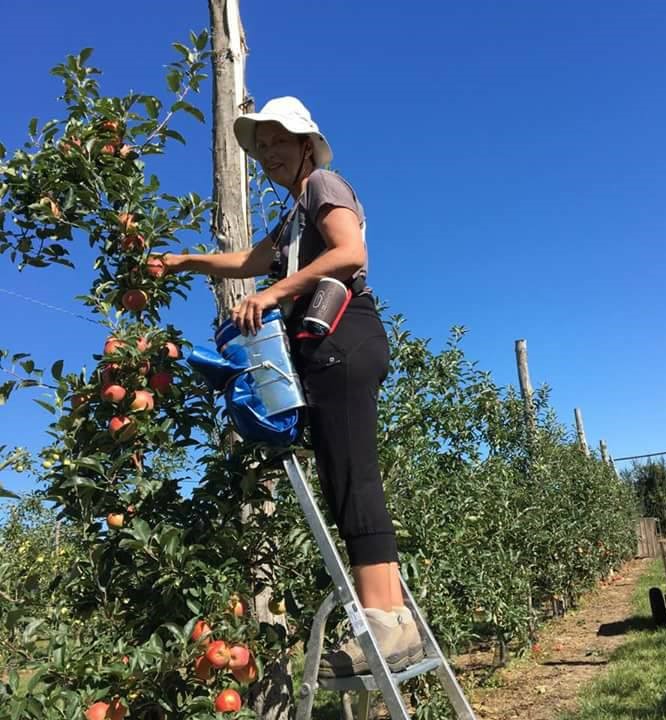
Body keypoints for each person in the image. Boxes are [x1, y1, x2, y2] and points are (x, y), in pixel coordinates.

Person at [158, 97, 422, 677]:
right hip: (324, 348)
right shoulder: (292, 215)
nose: (270, 154)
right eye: (262, 147)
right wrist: (185, 262)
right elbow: (249, 260)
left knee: (353, 476)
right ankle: (391, 619)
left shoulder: (325, 184)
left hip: (344, 336)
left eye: (280, 141)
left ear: (307, 145)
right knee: (342, 476)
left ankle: (388, 627)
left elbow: (350, 252)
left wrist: (273, 294)